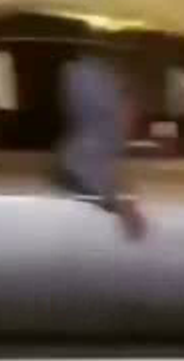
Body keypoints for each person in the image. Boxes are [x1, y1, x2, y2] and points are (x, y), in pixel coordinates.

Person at [58, 52, 148, 241]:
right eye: (124, 96)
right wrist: (124, 208)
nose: (136, 109)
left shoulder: (104, 149)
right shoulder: (84, 157)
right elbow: (85, 170)